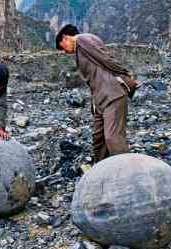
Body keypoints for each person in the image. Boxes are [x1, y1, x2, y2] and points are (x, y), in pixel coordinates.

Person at [56, 24, 140, 163]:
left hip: (112, 94)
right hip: (100, 99)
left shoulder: (82, 39)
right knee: (98, 138)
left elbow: (105, 58)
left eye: (62, 46)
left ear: (65, 38)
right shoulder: (80, 47)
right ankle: (102, 169)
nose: (65, 51)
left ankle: (126, 171)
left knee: (112, 137)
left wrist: (125, 74)